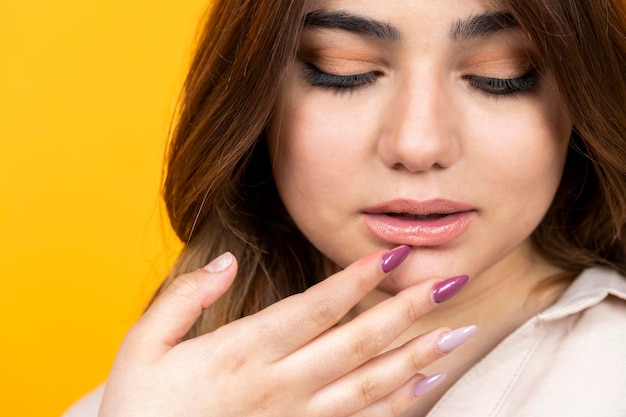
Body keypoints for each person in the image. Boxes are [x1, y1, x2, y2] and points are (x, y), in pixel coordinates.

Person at [64, 0, 626, 416]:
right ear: (256, 101)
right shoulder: (142, 402)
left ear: (580, 97)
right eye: (343, 68)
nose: (418, 144)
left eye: (500, 73)